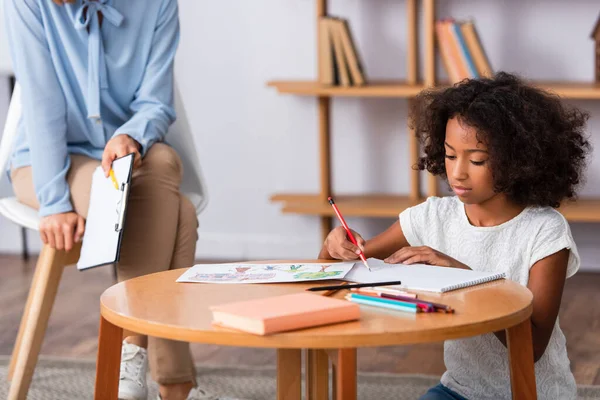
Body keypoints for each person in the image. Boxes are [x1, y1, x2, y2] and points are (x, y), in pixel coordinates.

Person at [4, 1, 241, 399]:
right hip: (49, 165)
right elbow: (42, 100)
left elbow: (156, 100)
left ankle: (131, 363)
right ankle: (171, 382)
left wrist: (132, 134)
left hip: (131, 158)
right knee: (173, 209)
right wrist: (55, 203)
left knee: (162, 163)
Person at [319, 72, 591, 400]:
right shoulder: (433, 216)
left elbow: (531, 345)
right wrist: (334, 247)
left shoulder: (544, 231)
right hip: (458, 392)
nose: (458, 172)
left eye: (477, 159)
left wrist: (463, 276)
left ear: (518, 161)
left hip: (532, 394)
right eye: (450, 155)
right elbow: (340, 271)